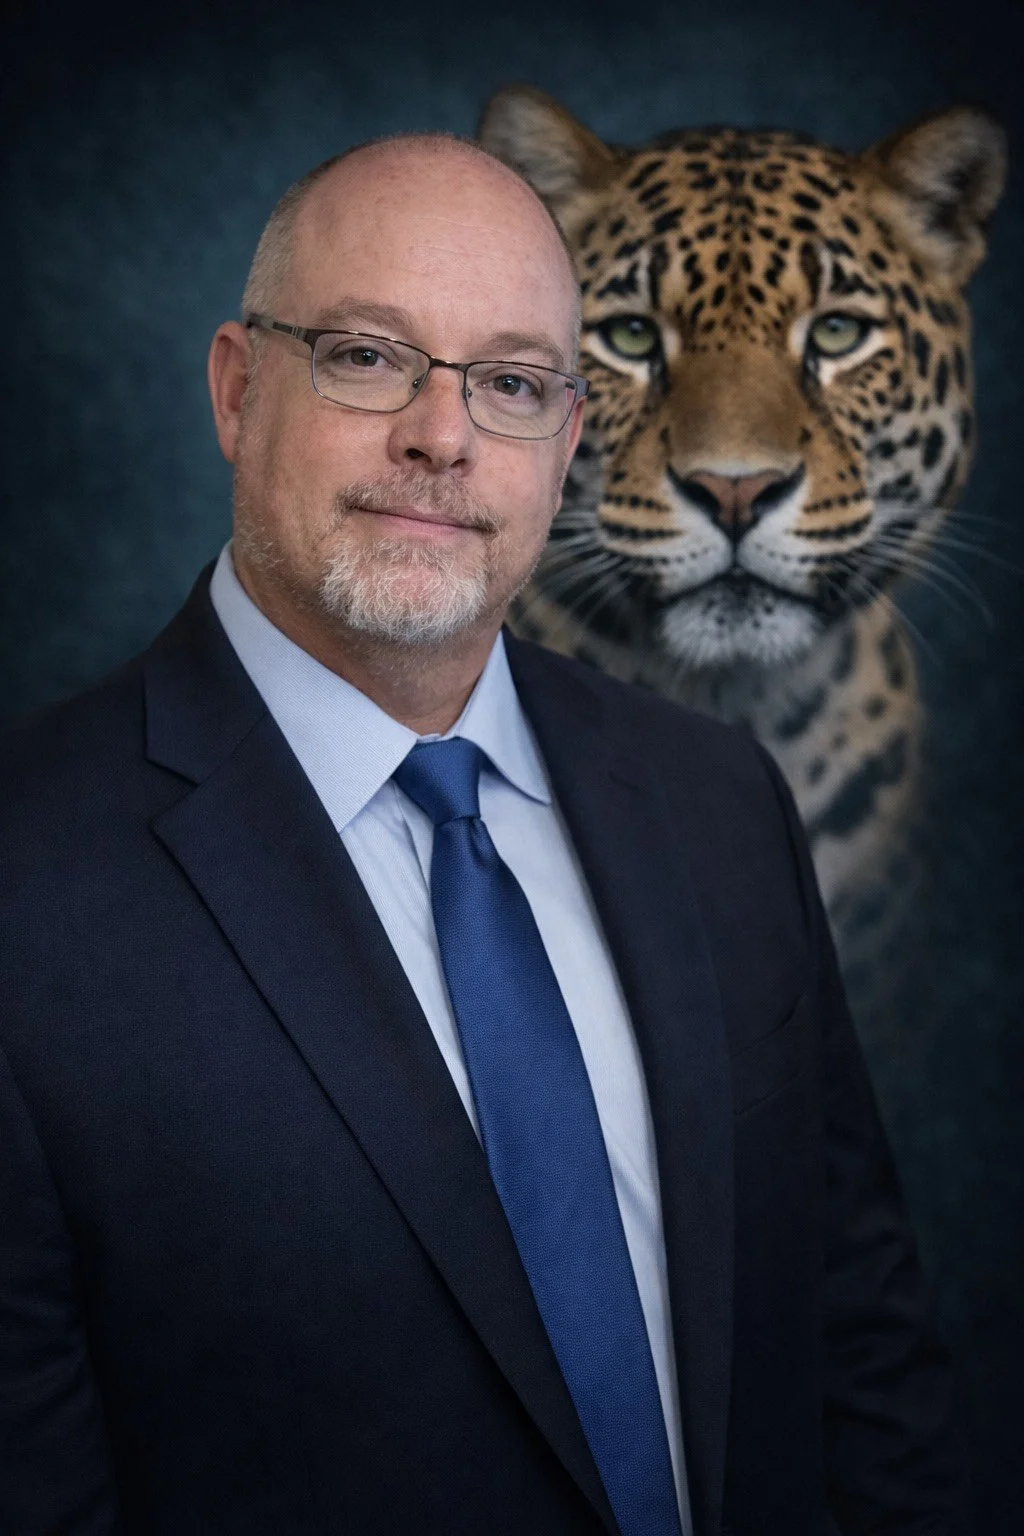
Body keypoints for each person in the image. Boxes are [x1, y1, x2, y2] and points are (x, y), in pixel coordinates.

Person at [0, 134, 966, 1536]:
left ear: (567, 434)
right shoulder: (28, 884)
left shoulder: (717, 802)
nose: (441, 436)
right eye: (367, 356)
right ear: (233, 388)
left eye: (511, 382)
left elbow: (862, 1357)